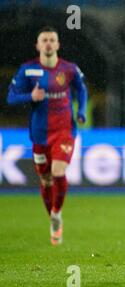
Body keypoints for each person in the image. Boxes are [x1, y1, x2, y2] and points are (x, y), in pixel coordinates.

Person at [7, 26, 87, 245]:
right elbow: (11, 98)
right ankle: (52, 216)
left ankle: (57, 213)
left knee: (58, 171)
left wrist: (80, 111)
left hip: (64, 131)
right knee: (45, 179)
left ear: (58, 45)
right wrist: (30, 96)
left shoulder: (69, 69)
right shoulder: (28, 70)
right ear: (38, 45)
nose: (49, 43)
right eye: (45, 40)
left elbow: (81, 90)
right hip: (39, 133)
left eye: (52, 40)